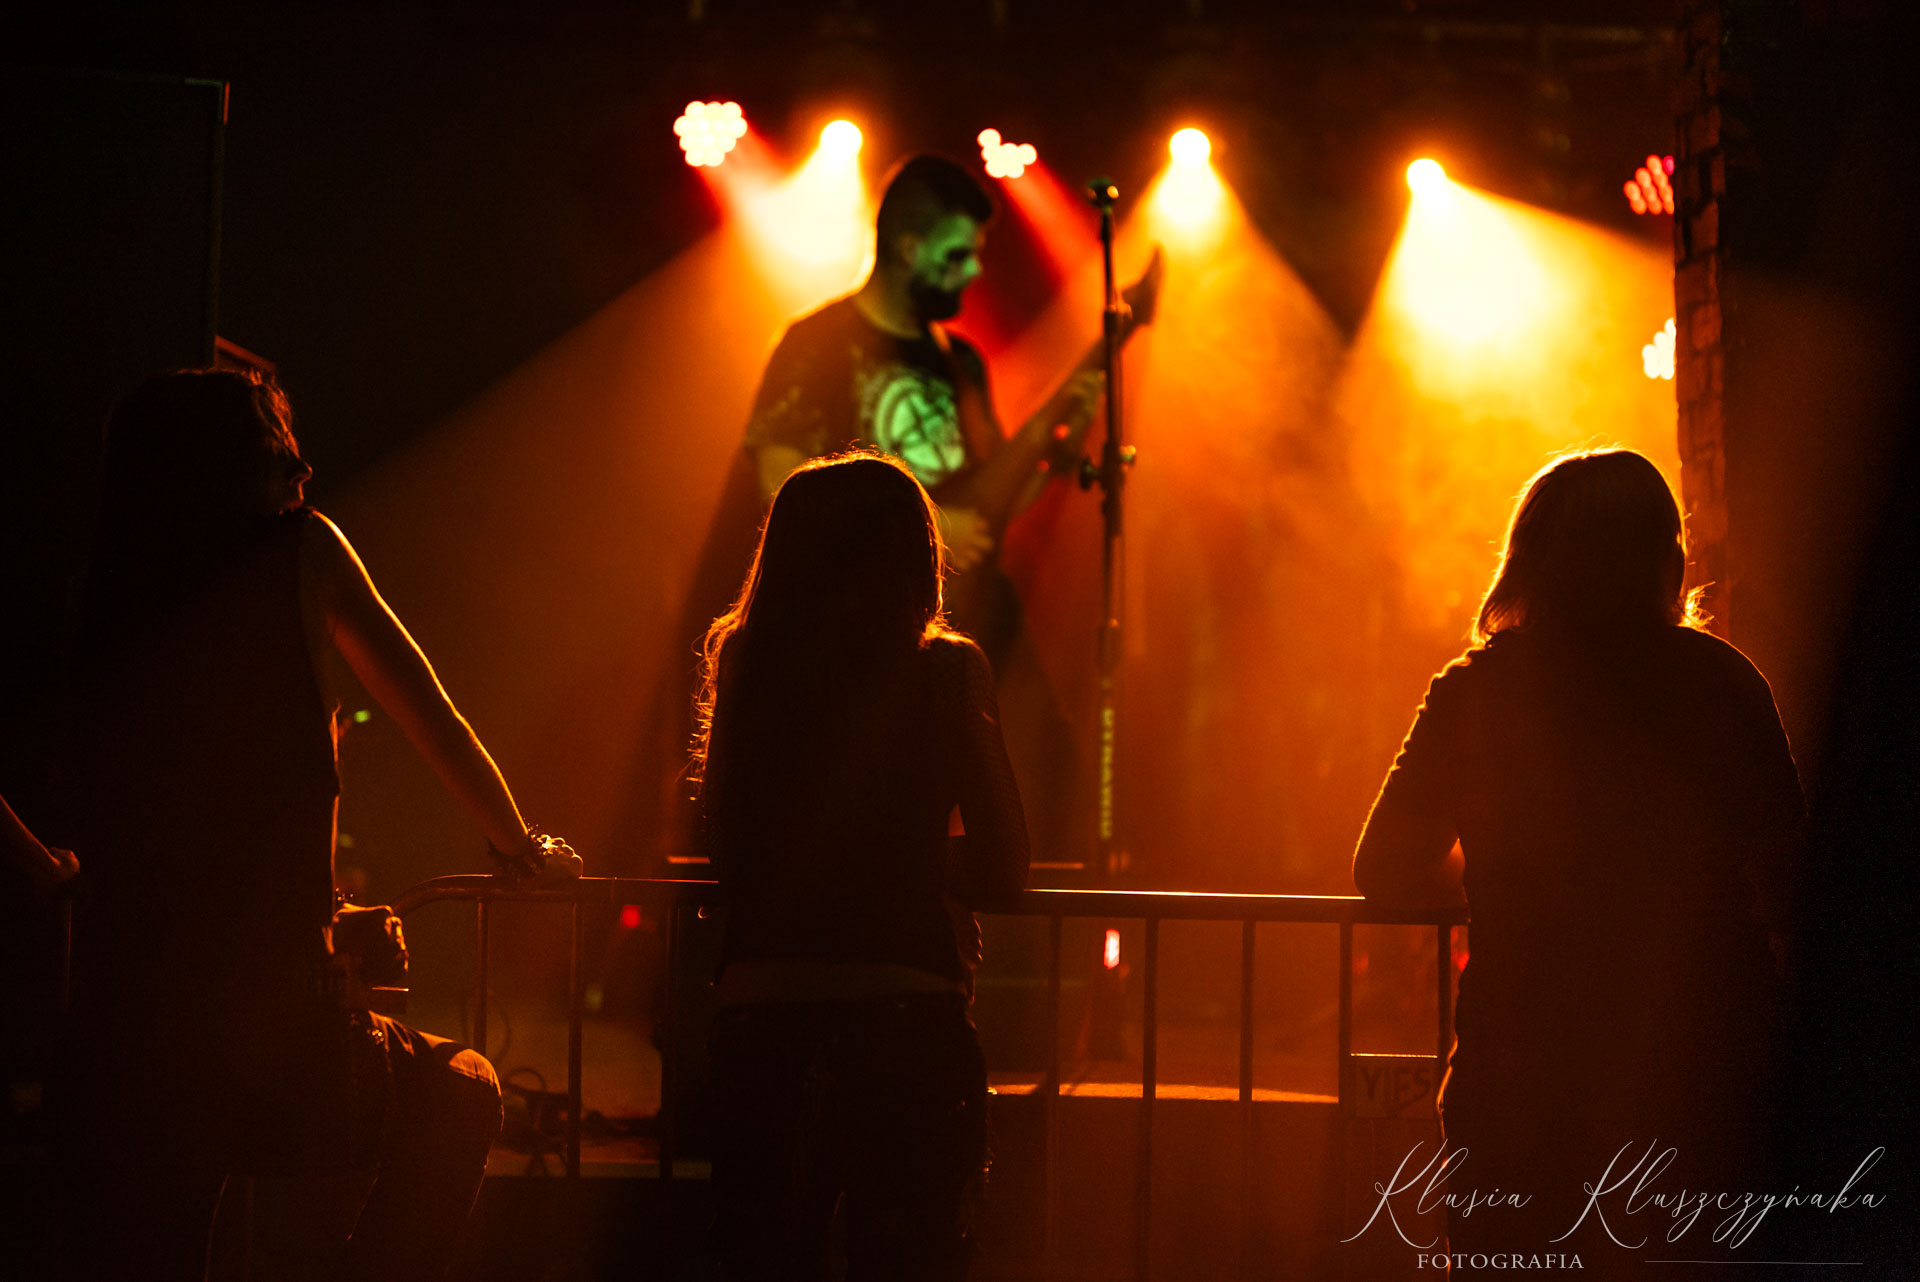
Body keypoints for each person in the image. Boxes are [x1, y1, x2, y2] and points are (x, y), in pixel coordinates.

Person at [54, 368, 581, 1282]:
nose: (303, 470)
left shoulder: (108, 592)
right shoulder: (300, 552)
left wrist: (46, 876)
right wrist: (521, 845)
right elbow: (436, 720)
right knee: (460, 1092)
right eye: (278, 448)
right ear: (239, 464)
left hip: (114, 1033)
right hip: (270, 1037)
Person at [1352, 450, 1803, 1271]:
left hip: (1522, 1081)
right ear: (1665, 560)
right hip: (1703, 1074)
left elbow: (1383, 866)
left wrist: (1492, 878)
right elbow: (1792, 875)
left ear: (1530, 563)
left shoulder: (1476, 692)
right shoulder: (1726, 685)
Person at [695, 451, 1030, 1281]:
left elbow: (727, 846)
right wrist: (912, 864)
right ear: (915, 556)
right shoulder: (947, 669)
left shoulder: (745, 659)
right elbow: (1005, 861)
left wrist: (831, 855)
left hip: (763, 1015)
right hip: (906, 1015)